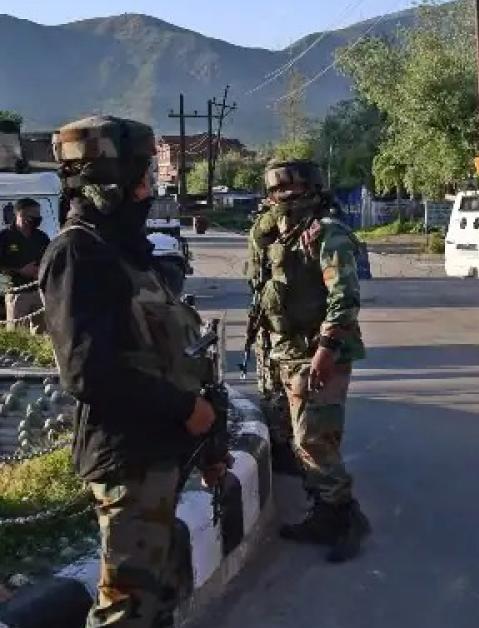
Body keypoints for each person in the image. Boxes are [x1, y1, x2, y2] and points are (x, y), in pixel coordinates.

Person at [41, 115, 223, 627]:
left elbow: (169, 353)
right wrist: (186, 408)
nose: (150, 190)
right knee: (126, 610)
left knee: (155, 600)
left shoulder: (126, 250)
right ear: (112, 185)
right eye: (143, 178)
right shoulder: (78, 253)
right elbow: (87, 371)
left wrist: (209, 436)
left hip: (158, 453)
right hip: (128, 459)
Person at [256, 159, 372, 562]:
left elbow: (345, 299)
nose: (284, 198)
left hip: (320, 352)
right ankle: (324, 512)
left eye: (293, 190)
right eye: (277, 191)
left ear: (313, 190)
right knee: (302, 441)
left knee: (315, 440)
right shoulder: (277, 236)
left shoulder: (327, 234)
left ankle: (344, 518)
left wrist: (325, 349)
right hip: (288, 351)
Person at [246, 202, 299, 475]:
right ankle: (281, 447)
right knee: (271, 386)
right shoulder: (269, 227)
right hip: (268, 317)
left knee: (275, 387)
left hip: (278, 322)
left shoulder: (277, 226)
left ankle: (285, 448)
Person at [0, 197, 50, 330]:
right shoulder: (5, 237)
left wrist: (41, 270)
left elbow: (50, 260)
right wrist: (20, 270)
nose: (38, 218)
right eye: (33, 215)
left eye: (39, 215)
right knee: (18, 333)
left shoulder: (42, 237)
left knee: (43, 333)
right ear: (20, 214)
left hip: (39, 292)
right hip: (17, 293)